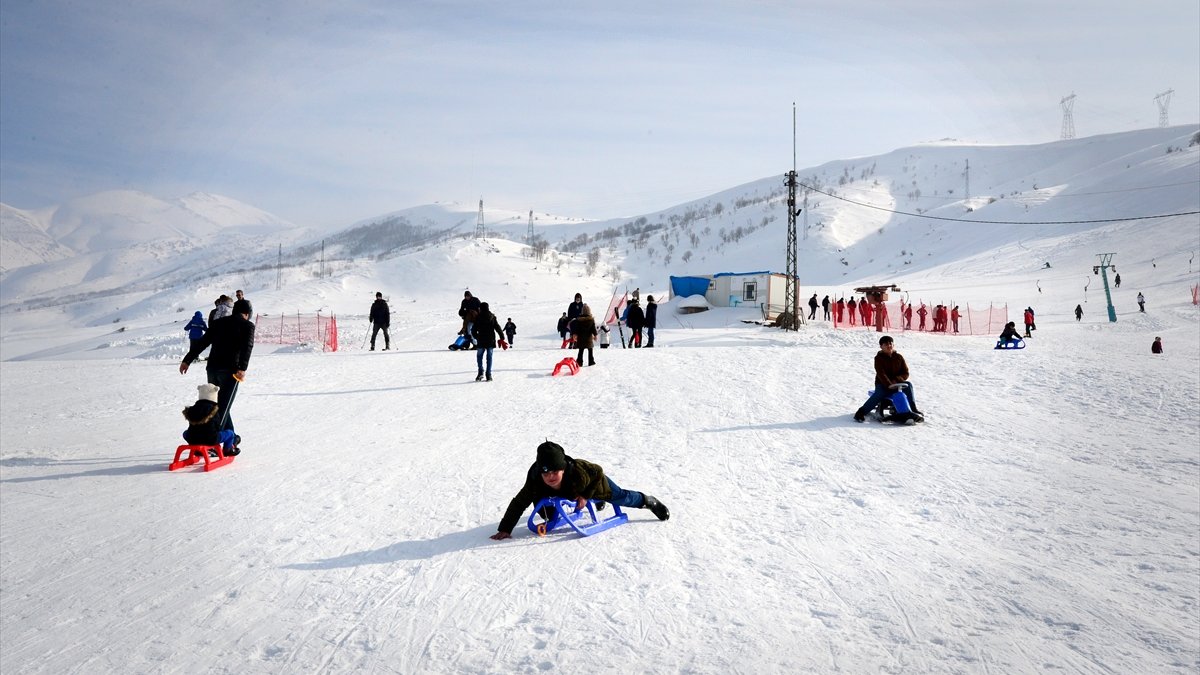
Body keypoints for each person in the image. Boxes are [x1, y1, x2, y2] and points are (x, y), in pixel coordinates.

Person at [489, 441, 669, 540]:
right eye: (546, 473)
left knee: (620, 497)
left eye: (555, 472)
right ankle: (594, 502)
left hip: (594, 484)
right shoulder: (536, 478)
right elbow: (520, 501)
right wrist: (506, 528)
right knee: (546, 513)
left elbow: (598, 471)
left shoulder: (578, 471)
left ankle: (648, 501)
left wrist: (585, 496)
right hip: (569, 492)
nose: (550, 477)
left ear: (563, 469)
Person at [181, 298, 255, 451]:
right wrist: (242, 368)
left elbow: (203, 342)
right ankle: (213, 445)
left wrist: (187, 360)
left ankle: (232, 439)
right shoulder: (247, 325)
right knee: (222, 407)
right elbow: (248, 346)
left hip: (212, 369)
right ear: (247, 313)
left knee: (216, 406)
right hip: (231, 372)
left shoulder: (219, 323)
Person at [852, 335, 922, 424]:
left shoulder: (899, 357)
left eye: (890, 344)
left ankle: (913, 409)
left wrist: (897, 380)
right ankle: (861, 413)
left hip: (896, 383)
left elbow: (905, 372)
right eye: (886, 344)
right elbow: (881, 374)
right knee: (879, 394)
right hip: (882, 384)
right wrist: (889, 384)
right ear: (881, 346)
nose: (889, 346)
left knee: (908, 385)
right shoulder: (878, 358)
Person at [181, 383, 237, 456]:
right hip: (210, 439)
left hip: (192, 438)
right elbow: (218, 426)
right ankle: (228, 450)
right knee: (230, 433)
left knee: (185, 433)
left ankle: (197, 449)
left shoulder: (193, 409)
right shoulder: (214, 409)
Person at [471, 301, 505, 381]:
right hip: (490, 340)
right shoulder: (492, 317)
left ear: (481, 308)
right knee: (489, 357)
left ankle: (480, 372)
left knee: (479, 356)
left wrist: (477, 337)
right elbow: (497, 327)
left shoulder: (478, 317)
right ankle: (488, 374)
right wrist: (502, 336)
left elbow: (473, 330)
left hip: (481, 340)